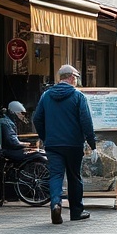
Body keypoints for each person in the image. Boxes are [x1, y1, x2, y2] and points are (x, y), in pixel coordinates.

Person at [33, 64, 97, 225]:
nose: (76, 80)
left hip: (53, 144)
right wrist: (92, 143)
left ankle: (55, 203)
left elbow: (37, 119)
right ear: (70, 77)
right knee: (74, 177)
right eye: (75, 77)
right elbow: (86, 121)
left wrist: (45, 137)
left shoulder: (46, 96)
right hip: (74, 144)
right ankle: (76, 211)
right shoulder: (78, 96)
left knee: (56, 175)